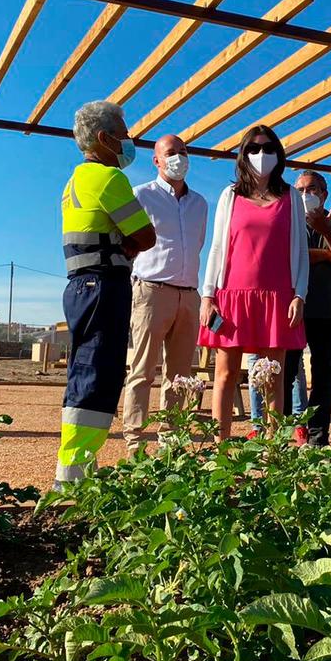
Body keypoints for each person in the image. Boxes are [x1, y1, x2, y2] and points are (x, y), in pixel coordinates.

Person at [56, 103, 156, 486]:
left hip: (81, 285)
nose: (129, 141)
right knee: (99, 371)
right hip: (103, 285)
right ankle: (75, 474)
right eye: (124, 133)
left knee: (84, 369)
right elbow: (146, 235)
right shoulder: (108, 179)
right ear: (105, 138)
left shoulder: (75, 181)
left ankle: (76, 465)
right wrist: (129, 245)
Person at [199, 124, 309, 440]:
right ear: (244, 154)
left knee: (274, 378)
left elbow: (300, 249)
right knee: (226, 374)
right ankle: (221, 453)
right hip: (232, 296)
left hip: (279, 297)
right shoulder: (230, 195)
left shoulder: (291, 196)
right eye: (254, 149)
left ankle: (273, 450)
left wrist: (299, 294)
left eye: (269, 149)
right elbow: (217, 246)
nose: (262, 155)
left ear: (279, 154)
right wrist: (208, 295)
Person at [120, 134, 208, 452]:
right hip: (151, 291)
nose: (179, 157)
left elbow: (198, 245)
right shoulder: (140, 195)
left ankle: (171, 442)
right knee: (142, 370)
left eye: (183, 152)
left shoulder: (200, 203)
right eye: (171, 152)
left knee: (180, 375)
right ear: (156, 160)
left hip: (189, 294)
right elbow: (127, 244)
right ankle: (134, 442)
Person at [281, 171, 331, 445]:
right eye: (299, 189)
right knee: (285, 376)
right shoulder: (287, 223)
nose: (305, 194)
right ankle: (280, 438)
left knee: (324, 380)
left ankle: (317, 439)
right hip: (292, 312)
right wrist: (327, 254)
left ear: (324, 194)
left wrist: (325, 232)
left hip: (328, 313)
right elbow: (284, 259)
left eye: (312, 189)